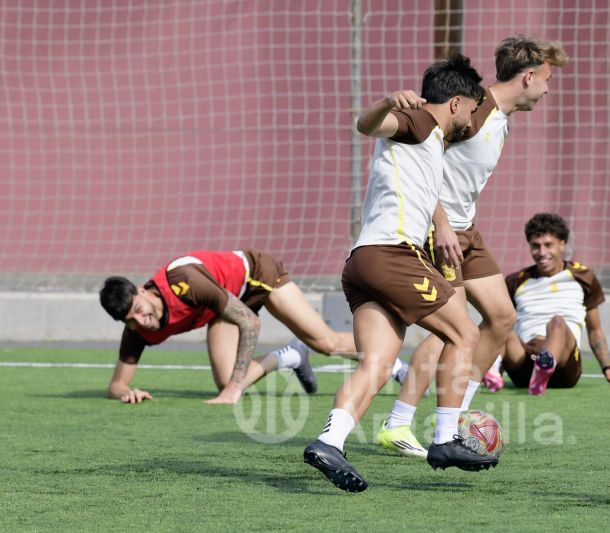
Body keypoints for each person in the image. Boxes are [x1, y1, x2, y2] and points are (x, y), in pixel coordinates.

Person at [302, 52, 492, 493]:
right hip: (392, 255)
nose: (472, 121)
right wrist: (388, 102)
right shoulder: (420, 121)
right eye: (473, 109)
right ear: (458, 103)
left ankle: (329, 441)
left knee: (379, 363)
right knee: (464, 334)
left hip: (362, 263)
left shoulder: (429, 141)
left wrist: (441, 222)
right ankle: (445, 438)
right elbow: (367, 126)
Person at [376, 35, 570, 458]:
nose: (550, 88)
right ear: (529, 76)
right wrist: (440, 224)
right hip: (439, 232)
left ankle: (459, 416)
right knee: (453, 327)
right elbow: (424, 161)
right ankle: (398, 423)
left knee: (502, 318)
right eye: (548, 78)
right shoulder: (474, 108)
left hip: (468, 232)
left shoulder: (500, 115)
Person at [98, 249, 384, 404]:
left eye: (138, 310)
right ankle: (291, 355)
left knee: (326, 343)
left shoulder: (183, 282)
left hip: (257, 276)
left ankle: (394, 362)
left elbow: (249, 320)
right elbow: (116, 384)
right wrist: (126, 392)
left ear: (142, 291)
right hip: (224, 308)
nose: (140, 321)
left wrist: (235, 390)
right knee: (225, 380)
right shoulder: (137, 328)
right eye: (129, 321)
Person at [490, 213, 610, 394]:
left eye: (548, 245)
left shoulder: (583, 277)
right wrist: (499, 371)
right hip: (524, 365)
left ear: (563, 244)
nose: (542, 252)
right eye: (535, 246)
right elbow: (504, 326)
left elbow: (595, 330)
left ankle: (545, 366)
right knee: (500, 321)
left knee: (557, 322)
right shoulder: (516, 281)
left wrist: (608, 369)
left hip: (564, 368)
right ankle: (493, 370)